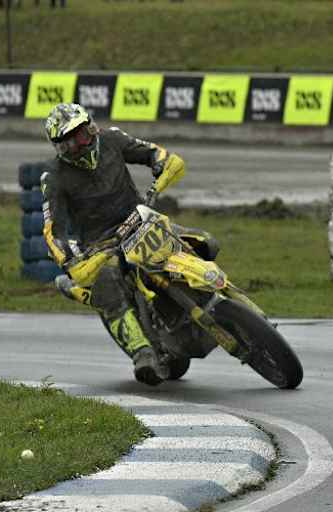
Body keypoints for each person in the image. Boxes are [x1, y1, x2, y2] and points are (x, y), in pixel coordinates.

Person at [41, 103, 216, 385]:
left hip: (142, 221)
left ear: (91, 127)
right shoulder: (54, 176)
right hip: (102, 246)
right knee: (107, 284)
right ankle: (142, 353)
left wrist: (160, 162)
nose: (81, 143)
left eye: (83, 134)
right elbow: (52, 230)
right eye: (71, 141)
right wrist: (68, 260)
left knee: (204, 242)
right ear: (60, 146)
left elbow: (151, 151)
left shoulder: (111, 139)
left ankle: (221, 297)